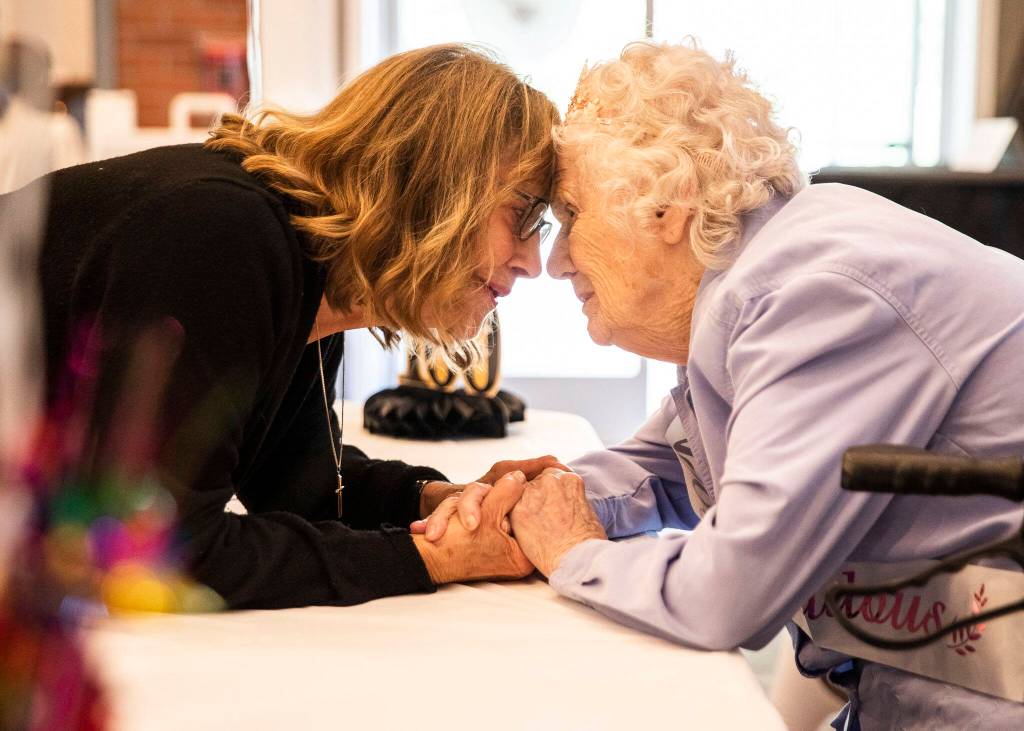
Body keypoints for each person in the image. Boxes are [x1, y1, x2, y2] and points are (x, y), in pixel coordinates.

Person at [426, 41, 1024, 727]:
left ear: (668, 203)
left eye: (570, 215)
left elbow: (727, 594)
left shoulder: (816, 294)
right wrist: (520, 502)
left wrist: (571, 553)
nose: (556, 260)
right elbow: (668, 467)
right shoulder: (760, 284)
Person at [9, 44, 564, 610]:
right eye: (524, 216)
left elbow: (301, 484)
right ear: (437, 183)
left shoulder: (308, 270)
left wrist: (446, 502)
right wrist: (438, 557)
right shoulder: (225, 235)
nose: (534, 262)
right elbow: (160, 549)